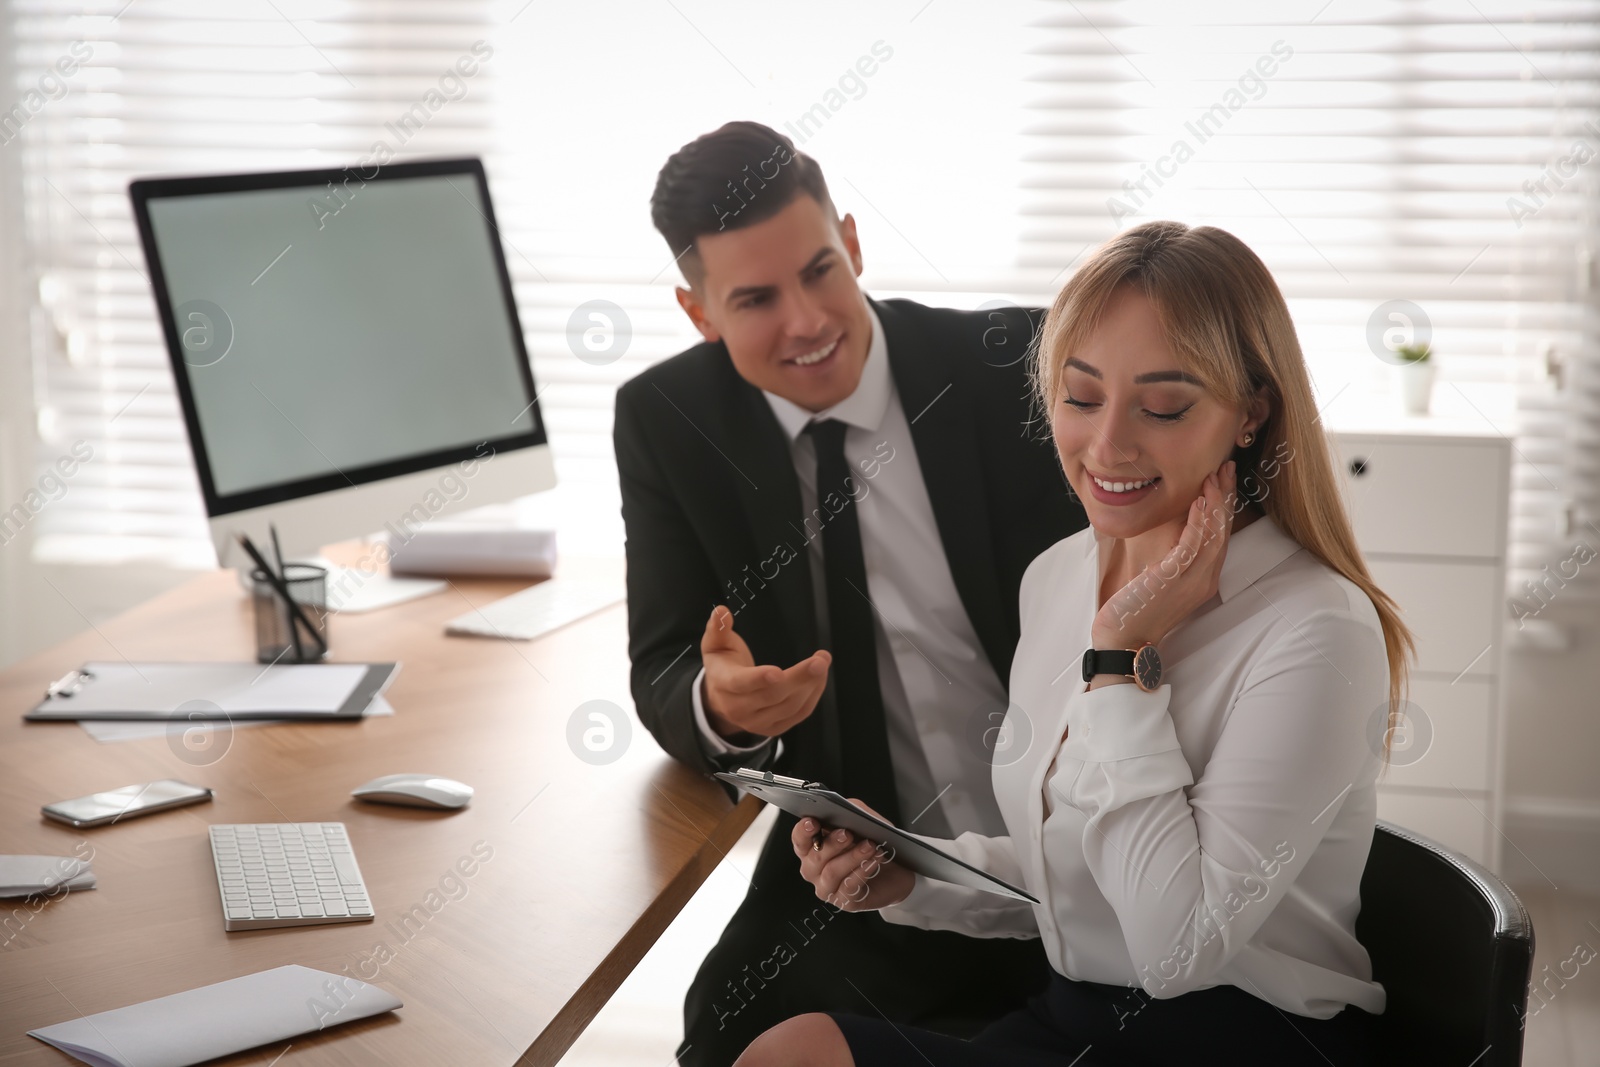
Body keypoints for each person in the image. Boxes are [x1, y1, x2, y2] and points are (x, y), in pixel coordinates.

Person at [736, 220, 1416, 1067]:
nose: (1107, 445)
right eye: (1081, 395)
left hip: (1241, 1037)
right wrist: (914, 875)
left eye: (1163, 405)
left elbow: (1175, 949)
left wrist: (1120, 664)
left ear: (1251, 413)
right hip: (1074, 1020)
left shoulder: (1315, 628)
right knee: (793, 1048)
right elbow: (1074, 868)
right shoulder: (1057, 577)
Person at [613, 121, 1088, 1066]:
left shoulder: (1012, 366)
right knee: (721, 1041)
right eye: (754, 298)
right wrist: (722, 706)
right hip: (854, 877)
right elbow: (663, 657)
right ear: (697, 310)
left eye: (821, 270)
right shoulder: (667, 421)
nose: (807, 320)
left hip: (1069, 856)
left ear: (856, 243)